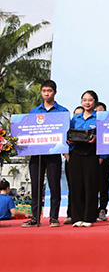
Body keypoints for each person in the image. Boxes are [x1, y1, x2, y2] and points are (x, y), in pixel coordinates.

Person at [22, 80, 68, 228]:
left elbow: (66, 134)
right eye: (44, 91)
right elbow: (26, 131)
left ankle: (54, 217)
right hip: (36, 155)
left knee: (55, 186)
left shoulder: (62, 111)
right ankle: (35, 217)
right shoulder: (34, 112)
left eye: (49, 91)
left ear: (55, 92)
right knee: (35, 186)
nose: (46, 93)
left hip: (54, 154)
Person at [67, 90, 100, 227]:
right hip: (76, 154)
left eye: (90, 100)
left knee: (90, 185)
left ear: (95, 102)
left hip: (91, 154)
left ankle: (89, 217)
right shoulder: (75, 119)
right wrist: (70, 141)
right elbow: (68, 135)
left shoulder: (99, 118)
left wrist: (96, 139)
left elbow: (105, 137)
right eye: (84, 100)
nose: (87, 102)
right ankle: (76, 217)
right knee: (76, 186)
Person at [95, 102, 109, 222]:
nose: (98, 113)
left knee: (103, 186)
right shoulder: (89, 124)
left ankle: (102, 209)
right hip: (89, 160)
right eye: (96, 111)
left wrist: (104, 157)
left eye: (101, 111)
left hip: (104, 161)